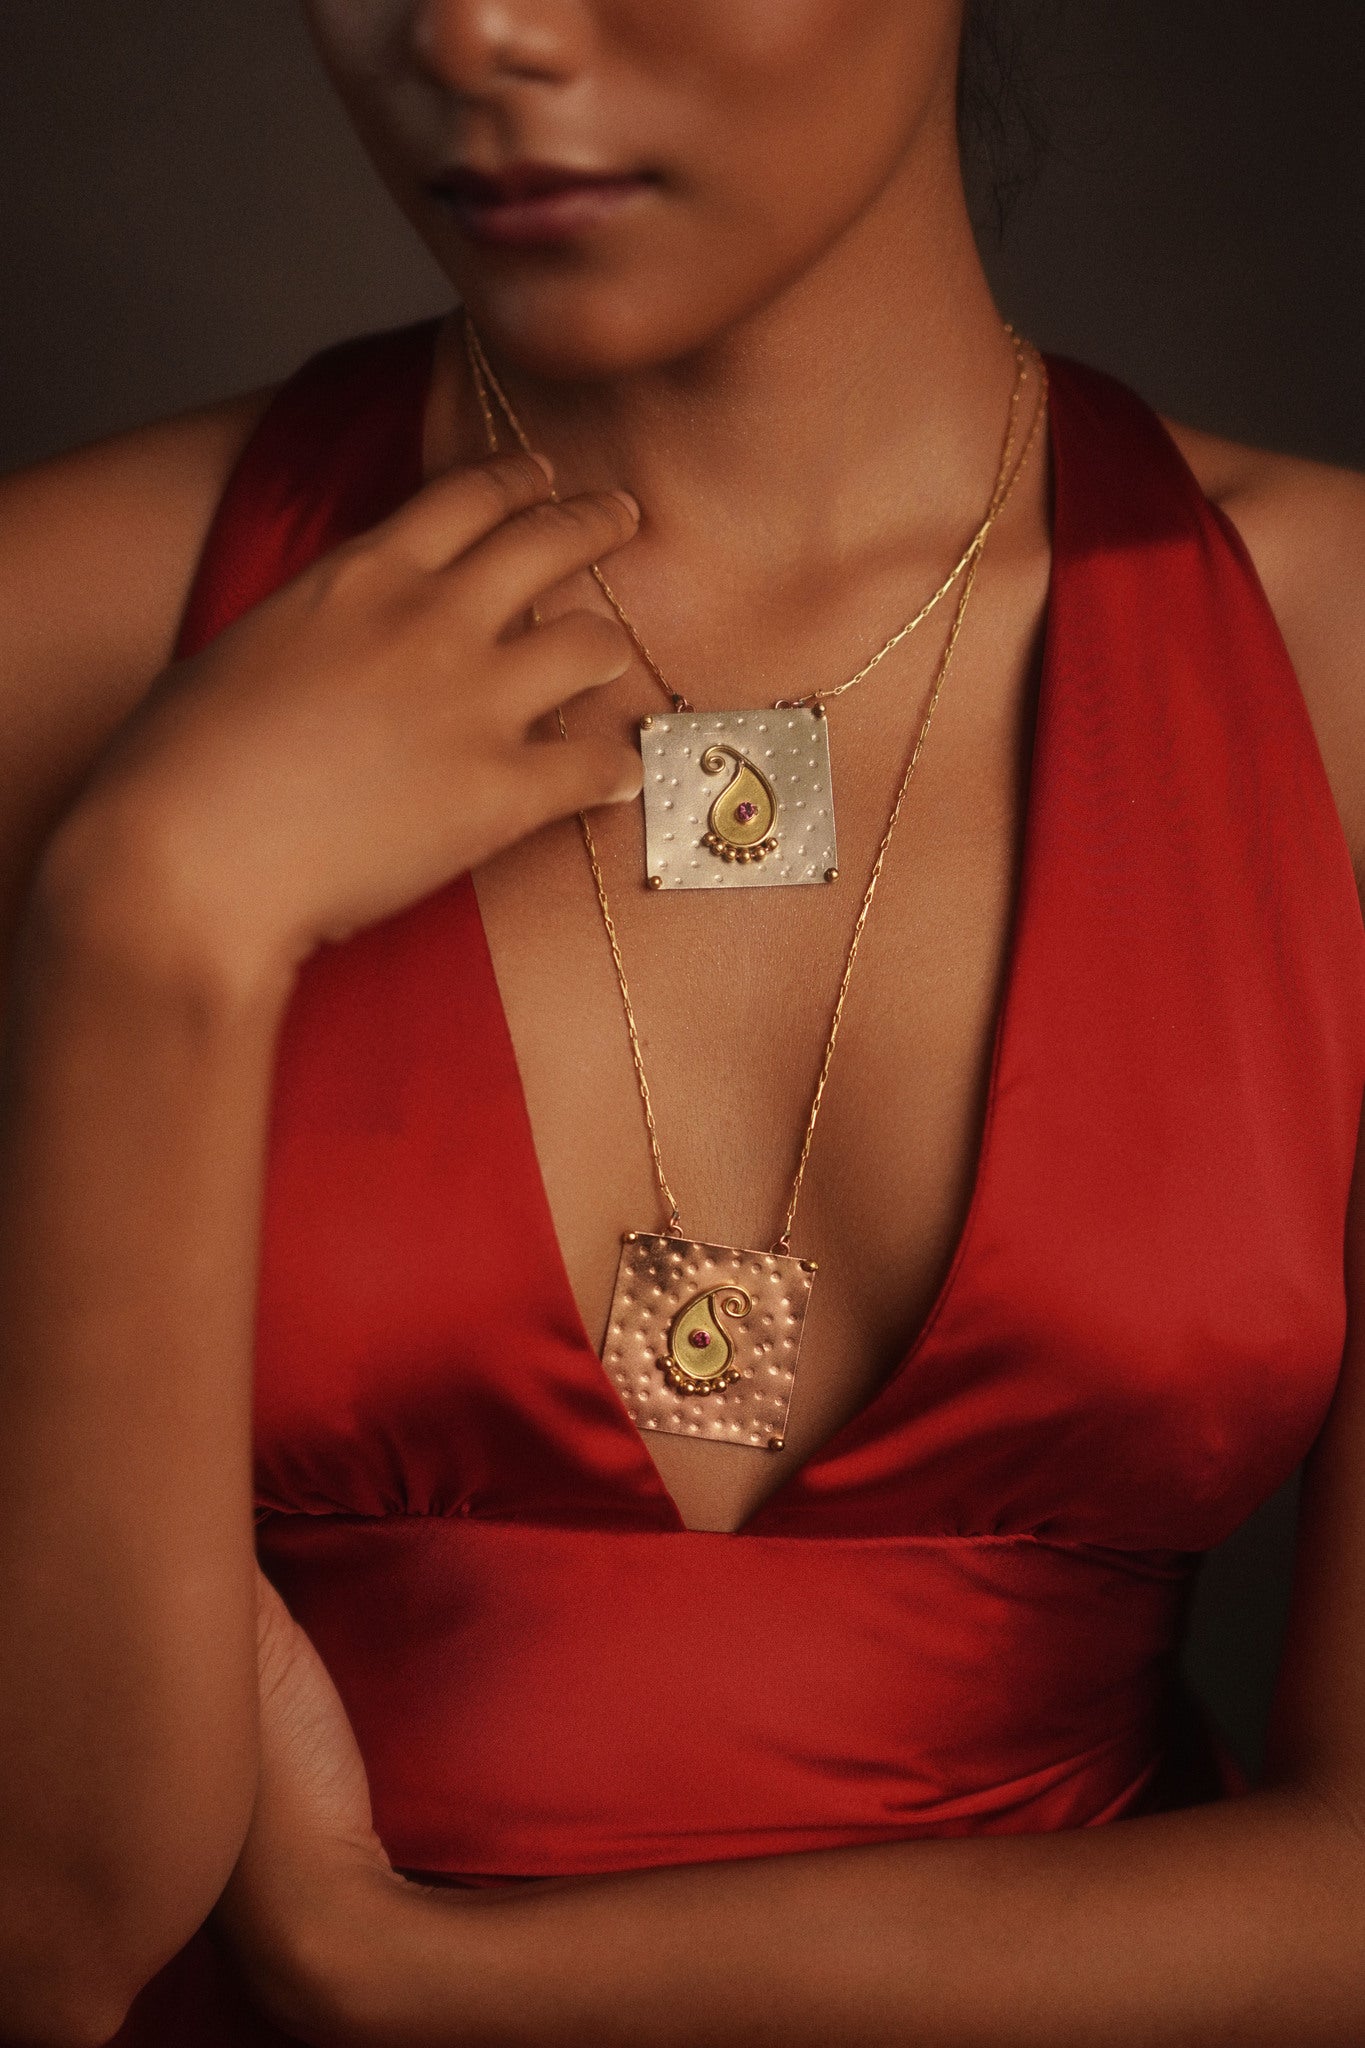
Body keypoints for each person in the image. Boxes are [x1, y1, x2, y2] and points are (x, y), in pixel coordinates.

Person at [2, 1, 1364, 2041]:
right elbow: (46, 1938)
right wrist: (146, 930)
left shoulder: (1332, 658)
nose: (474, 27)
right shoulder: (50, 636)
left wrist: (420, 1979)